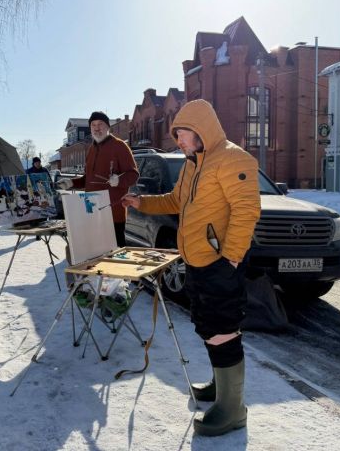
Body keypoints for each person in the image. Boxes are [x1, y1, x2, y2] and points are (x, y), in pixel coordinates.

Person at [122, 99, 260, 436]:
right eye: (177, 135)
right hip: (197, 261)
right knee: (209, 327)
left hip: (221, 263)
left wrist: (230, 259)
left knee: (224, 330)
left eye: (182, 134)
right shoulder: (191, 165)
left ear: (201, 129)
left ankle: (232, 409)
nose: (179, 141)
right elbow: (176, 200)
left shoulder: (232, 158)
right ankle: (219, 386)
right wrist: (141, 202)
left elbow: (247, 210)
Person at [57, 111, 138, 247]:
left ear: (108, 127)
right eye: (93, 125)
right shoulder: (91, 149)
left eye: (100, 124)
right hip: (92, 212)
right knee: (96, 255)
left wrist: (118, 180)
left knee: (115, 255)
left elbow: (133, 175)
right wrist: (71, 183)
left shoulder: (119, 146)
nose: (97, 128)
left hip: (113, 214)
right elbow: (88, 180)